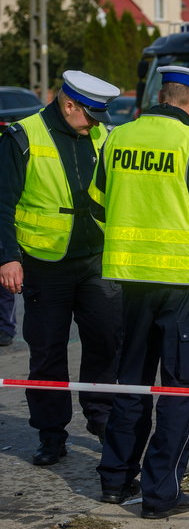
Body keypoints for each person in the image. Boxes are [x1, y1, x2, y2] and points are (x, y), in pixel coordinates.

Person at [91, 66, 189, 518]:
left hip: (130, 278)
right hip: (182, 282)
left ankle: (114, 479)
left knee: (131, 380)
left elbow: (97, 204)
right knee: (184, 387)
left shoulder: (118, 137)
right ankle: (161, 493)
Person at [0, 71, 122, 465]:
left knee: (104, 344)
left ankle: (102, 420)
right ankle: (51, 435)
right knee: (48, 352)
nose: (96, 125)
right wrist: (7, 256)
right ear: (69, 105)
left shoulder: (101, 134)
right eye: (91, 115)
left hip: (96, 260)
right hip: (44, 262)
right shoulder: (22, 136)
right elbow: (1, 202)